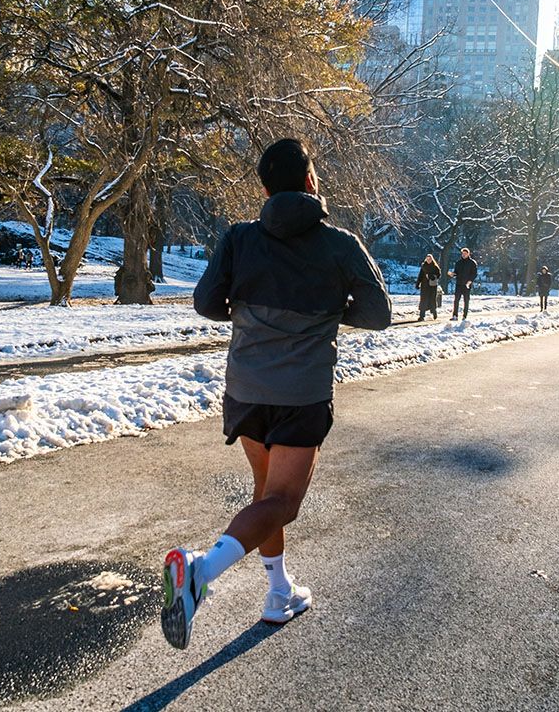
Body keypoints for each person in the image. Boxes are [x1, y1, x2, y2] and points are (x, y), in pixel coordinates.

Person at [163, 138, 391, 650]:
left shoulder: (240, 238)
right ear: (312, 181)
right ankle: (199, 572)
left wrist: (247, 315)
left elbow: (205, 303)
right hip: (300, 396)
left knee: (265, 496)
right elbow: (378, 314)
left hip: (244, 390)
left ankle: (278, 593)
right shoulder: (340, 244)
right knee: (283, 502)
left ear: (264, 188)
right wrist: (329, 313)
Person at [448, 247, 477, 320]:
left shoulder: (472, 263)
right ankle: (455, 315)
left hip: (467, 284)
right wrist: (452, 274)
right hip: (459, 284)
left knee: (466, 300)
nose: (464, 255)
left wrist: (470, 281)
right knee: (456, 300)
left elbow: (474, 274)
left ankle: (464, 316)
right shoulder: (458, 263)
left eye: (465, 253)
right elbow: (456, 273)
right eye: (463, 253)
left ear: (468, 254)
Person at [416, 254, 441, 321]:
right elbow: (420, 276)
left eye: (429, 259)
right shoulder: (423, 266)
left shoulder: (435, 267)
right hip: (424, 286)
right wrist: (418, 283)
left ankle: (434, 313)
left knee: (432, 299)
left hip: (432, 286)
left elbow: (438, 275)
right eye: (427, 259)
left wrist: (431, 276)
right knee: (423, 300)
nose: (428, 260)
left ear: (432, 259)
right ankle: (422, 316)